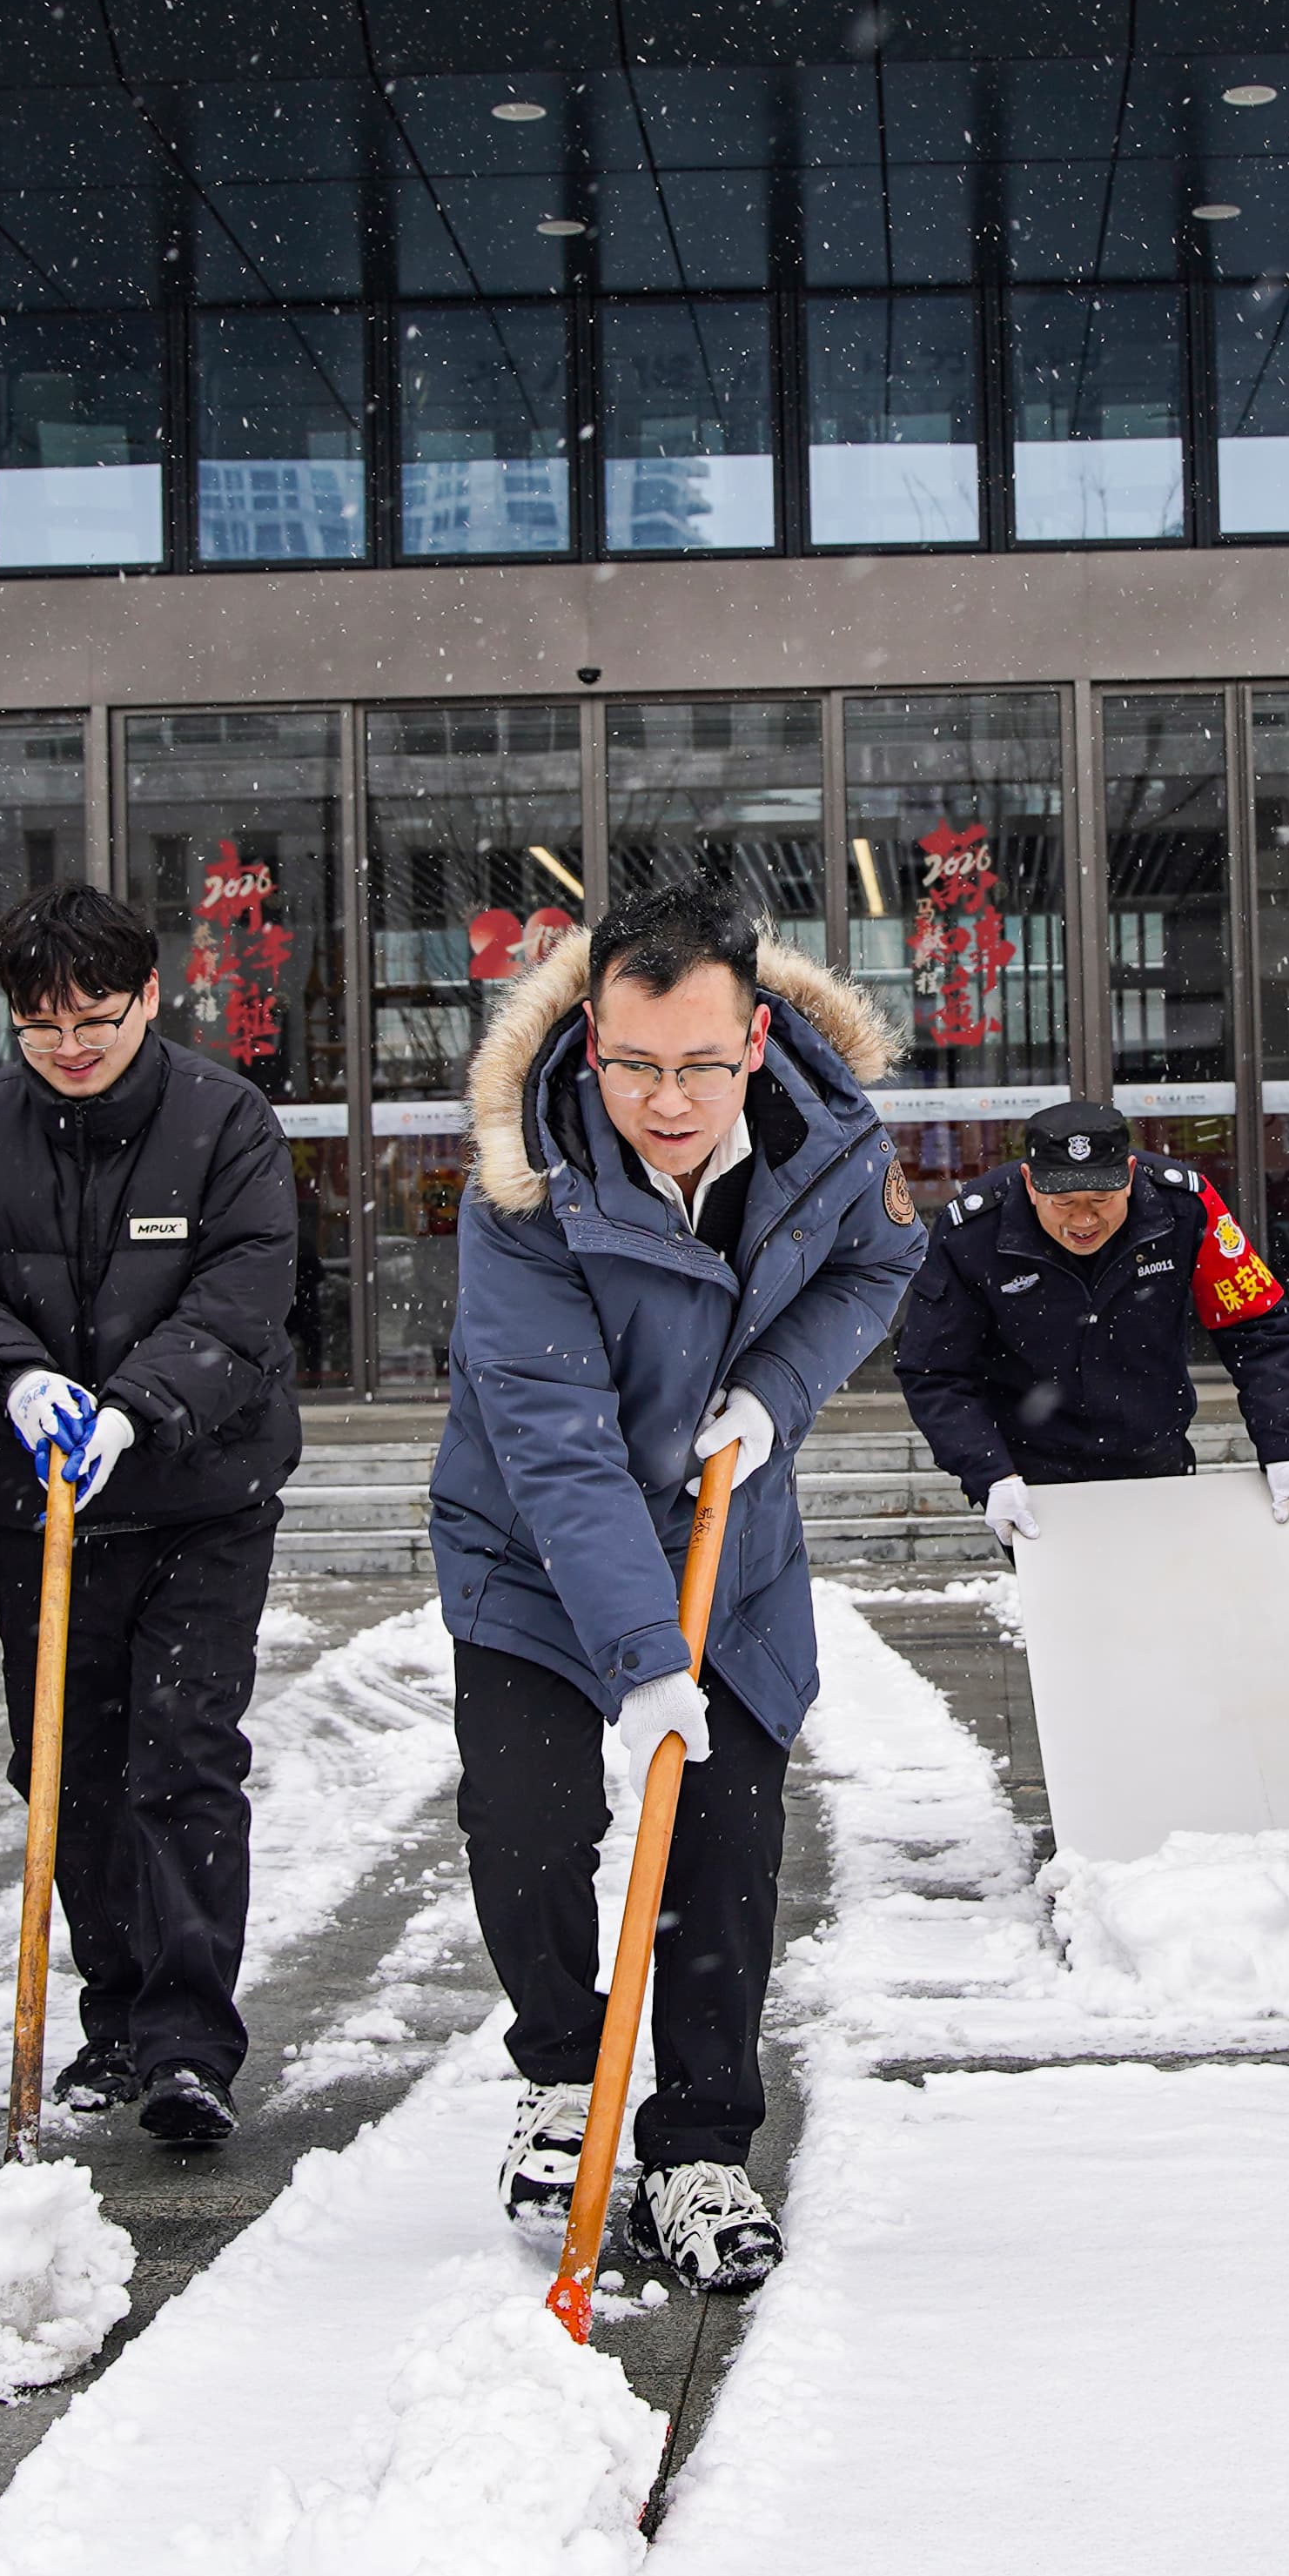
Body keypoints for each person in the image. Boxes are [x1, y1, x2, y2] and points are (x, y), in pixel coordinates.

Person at [430, 882, 923, 2294]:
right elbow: (557, 1449)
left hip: (733, 1542)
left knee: (721, 1849)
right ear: (590, 1038)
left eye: (702, 1064)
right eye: (637, 1064)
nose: (669, 1100)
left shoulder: (830, 1143)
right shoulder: (526, 1179)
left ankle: (701, 2146)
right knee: (527, 1818)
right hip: (533, 1550)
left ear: (756, 1040)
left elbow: (879, 1265)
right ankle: (562, 2075)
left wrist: (773, 1392)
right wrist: (644, 1655)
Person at [0, 882, 306, 2148]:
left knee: (180, 1759)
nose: (71, 1045)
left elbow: (245, 1292)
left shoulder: (224, 1120)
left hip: (199, 1500)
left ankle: (188, 2045)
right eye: (41, 1023)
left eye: (96, 1018)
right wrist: (13, 1380)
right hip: (42, 1507)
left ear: (150, 995)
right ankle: (114, 2018)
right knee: (65, 1772)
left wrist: (135, 1405)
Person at [894, 1095, 1289, 1552]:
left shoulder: (1184, 1207)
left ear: (1131, 1176)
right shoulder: (974, 1230)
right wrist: (990, 1474)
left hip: (1155, 1457)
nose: (1083, 1219)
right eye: (1063, 1201)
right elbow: (933, 1370)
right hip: (1034, 1474)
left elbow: (1257, 1327)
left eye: (1102, 1199)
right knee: (1073, 1618)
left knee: (1166, 1605)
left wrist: (1283, 1446)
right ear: (1030, 1184)